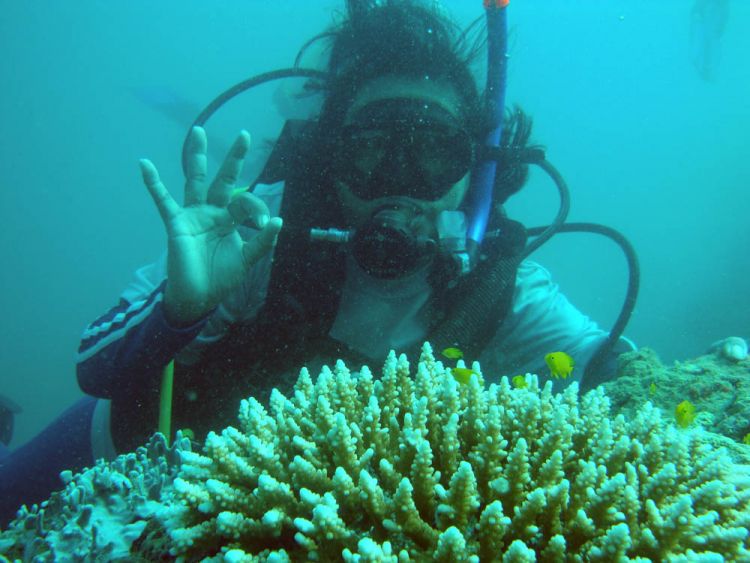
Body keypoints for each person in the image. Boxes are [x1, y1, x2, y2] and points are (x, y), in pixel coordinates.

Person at [2, 0, 742, 527]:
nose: (397, 177)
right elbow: (96, 369)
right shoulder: (256, 236)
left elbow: (638, 387)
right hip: (111, 466)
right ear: (331, 157)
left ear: (474, 169)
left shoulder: (503, 285)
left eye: (431, 150)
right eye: (372, 146)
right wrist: (182, 307)